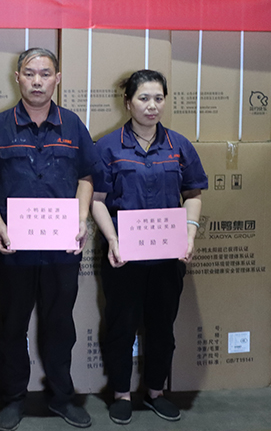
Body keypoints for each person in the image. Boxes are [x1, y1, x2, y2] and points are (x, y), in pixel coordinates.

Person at [0, 48, 96, 431]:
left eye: (45, 74)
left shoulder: (73, 125)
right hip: (15, 247)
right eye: (30, 73)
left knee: (60, 325)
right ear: (17, 77)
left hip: (62, 248)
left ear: (57, 78)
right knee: (12, 325)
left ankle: (61, 397)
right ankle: (13, 398)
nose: (37, 81)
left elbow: (86, 177)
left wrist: (81, 219)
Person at [90, 70, 206, 425]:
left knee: (162, 328)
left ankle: (156, 391)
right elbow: (96, 200)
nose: (152, 106)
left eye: (158, 98)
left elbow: (193, 194)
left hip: (168, 257)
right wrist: (113, 240)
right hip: (123, 256)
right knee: (121, 326)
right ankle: (121, 393)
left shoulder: (179, 146)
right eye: (143, 98)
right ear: (128, 103)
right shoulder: (108, 147)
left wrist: (189, 235)